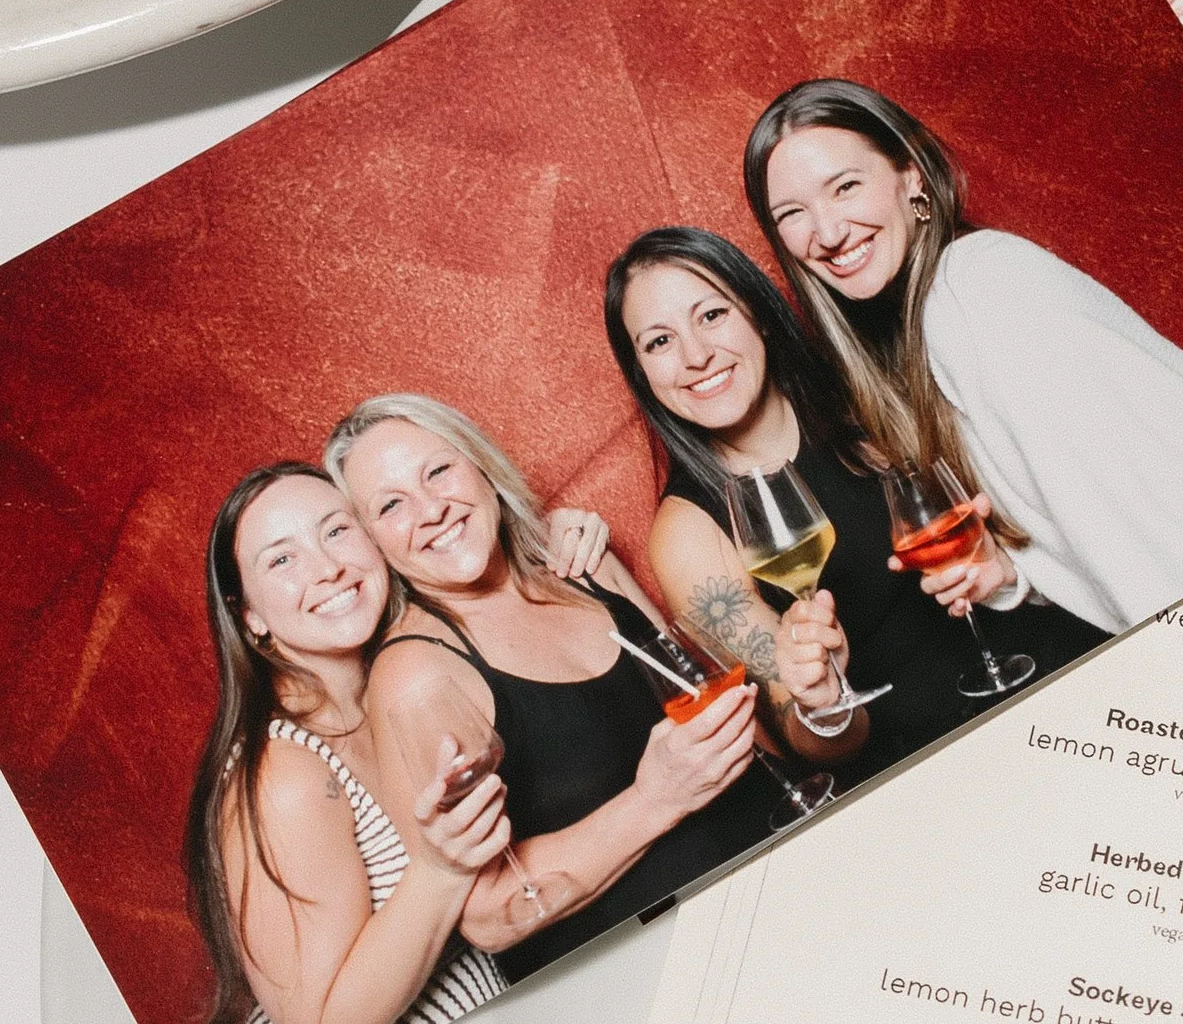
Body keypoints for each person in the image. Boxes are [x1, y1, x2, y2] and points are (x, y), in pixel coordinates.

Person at [746, 81, 1183, 638]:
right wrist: (1009, 574)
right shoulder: (942, 310)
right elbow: (1090, 515)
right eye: (793, 215)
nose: (825, 233)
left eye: (846, 186)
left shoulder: (977, 288)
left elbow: (1141, 530)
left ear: (911, 177)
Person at [329, 394, 843, 981]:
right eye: (391, 505)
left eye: (439, 470)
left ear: (479, 465)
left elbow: (720, 708)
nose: (430, 510)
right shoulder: (417, 676)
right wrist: (657, 799)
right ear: (372, 539)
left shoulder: (582, 565)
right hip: (662, 973)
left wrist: (810, 805)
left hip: (786, 882)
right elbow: (488, 914)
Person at [604, 226, 1098, 764]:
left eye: (711, 315)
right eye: (659, 341)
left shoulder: (867, 391)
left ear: (759, 316)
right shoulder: (687, 533)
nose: (696, 355)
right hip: (941, 759)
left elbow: (1053, 520)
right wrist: (823, 699)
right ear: (641, 373)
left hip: (1065, 664)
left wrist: (1003, 556)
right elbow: (811, 739)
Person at [185, 462, 516, 1024]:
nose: (328, 567)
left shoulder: (393, 690)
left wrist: (554, 546)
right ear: (249, 616)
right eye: (282, 559)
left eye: (338, 530)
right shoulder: (286, 771)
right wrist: (443, 868)